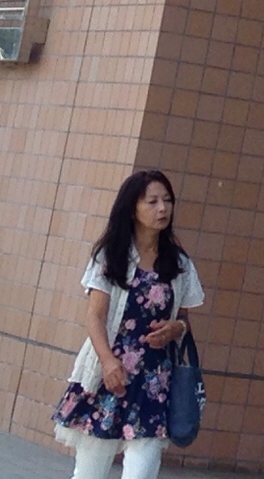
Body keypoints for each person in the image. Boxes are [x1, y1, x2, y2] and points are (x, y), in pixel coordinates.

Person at [53, 170, 206, 479]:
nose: (162, 208)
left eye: (167, 200)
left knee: (142, 472)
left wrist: (176, 328)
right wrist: (107, 361)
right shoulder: (111, 255)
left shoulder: (178, 263)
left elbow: (184, 319)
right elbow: (95, 316)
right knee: (90, 472)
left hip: (155, 381)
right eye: (152, 201)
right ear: (132, 208)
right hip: (110, 375)